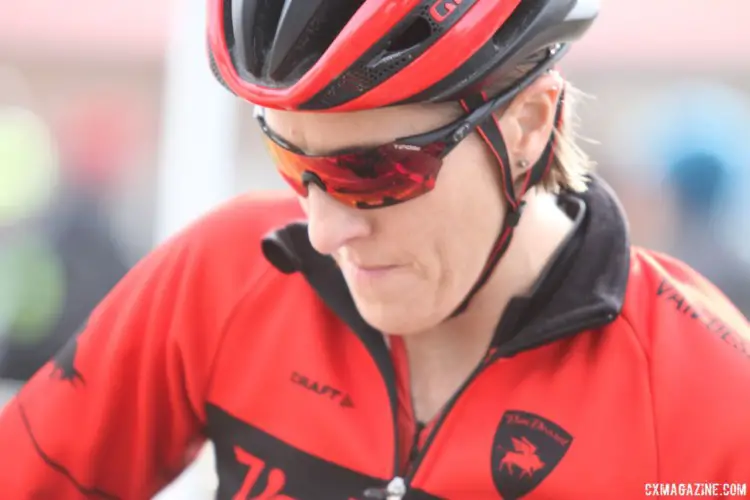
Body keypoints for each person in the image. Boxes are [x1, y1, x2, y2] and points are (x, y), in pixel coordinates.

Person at [1, 1, 749, 498]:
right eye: (293, 163)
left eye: (375, 172)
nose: (323, 231)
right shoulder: (230, 272)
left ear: (526, 123)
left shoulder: (709, 396)